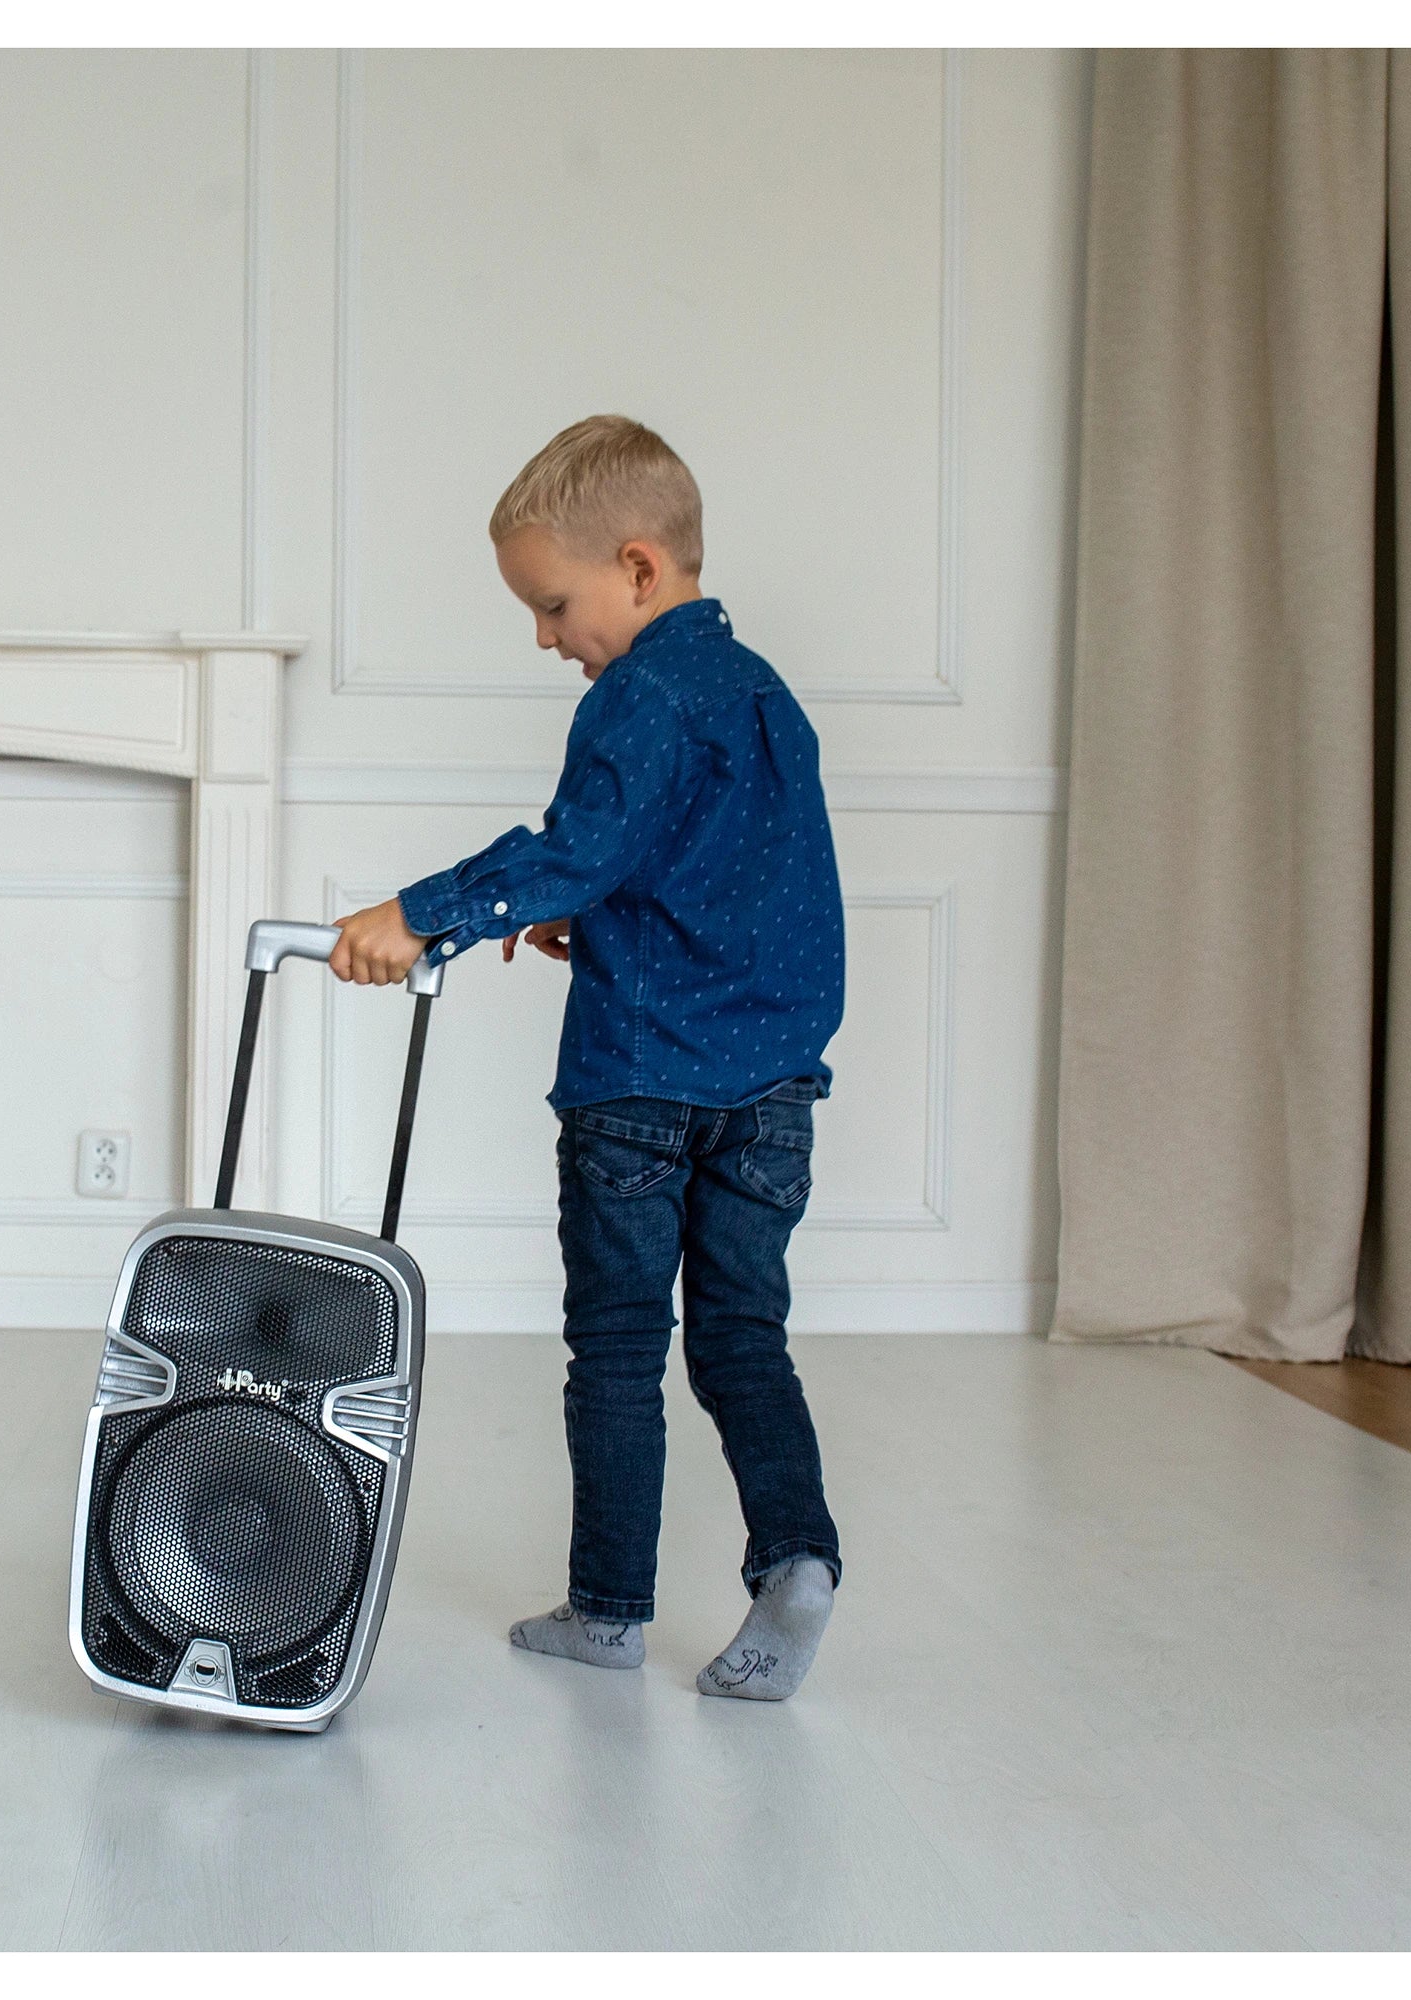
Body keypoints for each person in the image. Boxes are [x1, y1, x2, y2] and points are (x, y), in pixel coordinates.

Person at [328, 414, 845, 1700]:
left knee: (615, 1349)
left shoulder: (637, 696)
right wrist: (597, 915)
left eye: (552, 606)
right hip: (771, 1089)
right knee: (742, 1338)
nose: (545, 637)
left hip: (634, 1090)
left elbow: (577, 845)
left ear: (637, 569)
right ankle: (795, 1556)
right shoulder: (766, 696)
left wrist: (423, 912)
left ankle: (608, 1611)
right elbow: (742, 885)